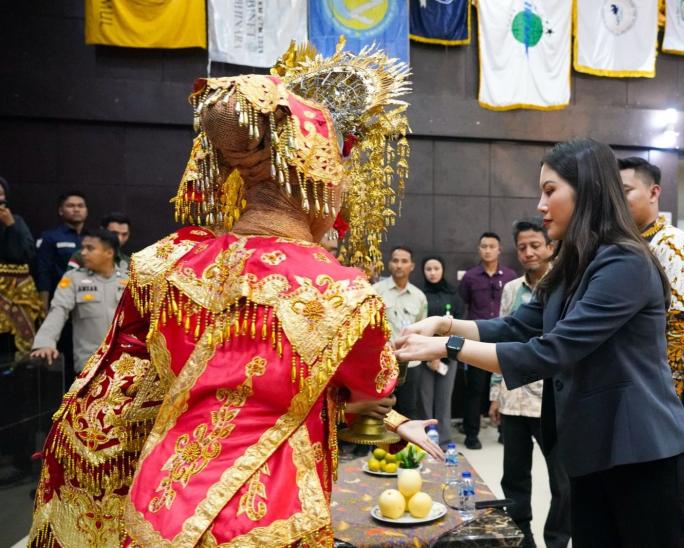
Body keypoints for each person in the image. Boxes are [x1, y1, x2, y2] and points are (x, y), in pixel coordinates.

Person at [28, 45, 440, 547]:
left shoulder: (164, 263)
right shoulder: (345, 293)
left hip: (157, 506)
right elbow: (372, 385)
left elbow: (119, 389)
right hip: (270, 517)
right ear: (318, 175)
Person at [396, 139, 684, 547]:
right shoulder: (576, 264)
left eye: (550, 190)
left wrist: (445, 348)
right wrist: (442, 325)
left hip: (644, 457)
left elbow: (551, 351)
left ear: (587, 190)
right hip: (596, 452)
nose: (540, 205)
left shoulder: (625, 261)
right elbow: (518, 327)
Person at [488, 219, 570, 548]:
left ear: (551, 247)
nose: (528, 252)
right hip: (513, 399)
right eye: (522, 247)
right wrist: (495, 394)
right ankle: (523, 540)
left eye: (535, 245)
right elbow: (501, 340)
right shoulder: (511, 290)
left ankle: (556, 540)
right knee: (515, 479)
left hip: (549, 400)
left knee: (563, 483)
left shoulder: (565, 286)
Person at [619, 157, 684, 407]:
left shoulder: (671, 242)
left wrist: (660, 391)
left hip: (659, 388)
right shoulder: (628, 242)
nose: (617, 200)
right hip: (629, 379)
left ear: (653, 192)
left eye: (625, 191)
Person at [30, 229, 128, 374]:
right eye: (83, 248)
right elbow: (58, 310)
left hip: (126, 365)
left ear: (109, 253)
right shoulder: (74, 278)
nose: (83, 253)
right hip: (90, 367)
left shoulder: (129, 280)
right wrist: (45, 342)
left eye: (90, 248)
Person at [458, 232, 517, 449]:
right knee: (475, 389)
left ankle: (504, 430)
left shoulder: (510, 276)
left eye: (492, 246)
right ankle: (471, 434)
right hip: (478, 339)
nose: (488, 250)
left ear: (499, 250)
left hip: (504, 339)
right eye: (484, 246)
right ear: (479, 249)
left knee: (506, 385)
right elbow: (462, 304)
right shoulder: (470, 277)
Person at [373, 246, 428, 419]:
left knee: (409, 409)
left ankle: (404, 446)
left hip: (411, 364)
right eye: (395, 260)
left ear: (411, 266)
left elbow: (422, 330)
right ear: (389, 264)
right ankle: (379, 448)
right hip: (382, 364)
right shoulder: (376, 291)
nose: (399, 265)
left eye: (404, 261)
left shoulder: (419, 296)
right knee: (380, 411)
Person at [418, 255, 463, 447]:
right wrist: (429, 355)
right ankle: (426, 438)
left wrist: (444, 355)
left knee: (444, 398)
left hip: (449, 355)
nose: (433, 272)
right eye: (428, 269)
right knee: (425, 398)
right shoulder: (419, 294)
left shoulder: (453, 294)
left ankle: (444, 439)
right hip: (424, 356)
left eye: (436, 268)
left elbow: (461, 324)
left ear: (443, 269)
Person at [0, 176, 42, 361]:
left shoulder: (15, 220)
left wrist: (11, 226)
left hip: (18, 292)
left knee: (13, 345)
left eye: (0, 193)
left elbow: (27, 253)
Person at [35, 191, 88, 309]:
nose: (76, 209)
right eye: (70, 206)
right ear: (60, 211)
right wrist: (44, 307)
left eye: (80, 206)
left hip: (88, 299)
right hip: (60, 299)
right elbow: (44, 273)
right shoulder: (50, 237)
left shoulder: (93, 238)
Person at [68, 212, 132, 272]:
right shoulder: (82, 255)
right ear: (102, 230)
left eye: (124, 234)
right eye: (114, 233)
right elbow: (68, 281)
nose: (120, 239)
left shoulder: (128, 262)